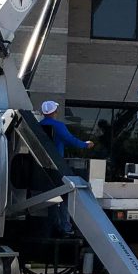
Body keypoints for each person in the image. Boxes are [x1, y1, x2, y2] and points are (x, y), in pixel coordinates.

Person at [40, 100, 93, 237]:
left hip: (42, 166)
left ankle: (54, 224)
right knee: (65, 195)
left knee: (50, 197)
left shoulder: (39, 125)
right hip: (58, 166)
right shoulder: (58, 126)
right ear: (54, 112)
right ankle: (66, 226)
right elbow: (70, 140)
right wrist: (85, 145)